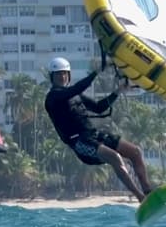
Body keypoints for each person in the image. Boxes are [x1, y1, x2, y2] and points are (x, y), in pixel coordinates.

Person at [44, 56, 154, 202]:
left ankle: (148, 192)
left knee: (135, 152)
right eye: (58, 74)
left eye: (65, 73)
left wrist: (118, 91)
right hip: (80, 142)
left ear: (69, 75)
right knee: (115, 157)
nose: (62, 77)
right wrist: (96, 72)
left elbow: (99, 108)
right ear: (52, 77)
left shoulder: (75, 95)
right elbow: (77, 88)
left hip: (94, 135)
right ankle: (140, 197)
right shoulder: (53, 97)